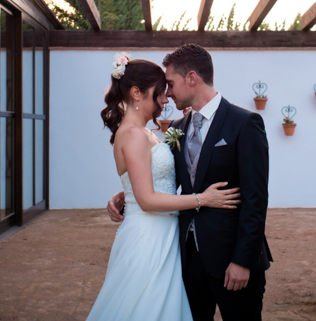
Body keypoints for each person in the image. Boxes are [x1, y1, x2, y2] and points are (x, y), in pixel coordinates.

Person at [108, 44, 272, 321]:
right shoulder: (177, 129)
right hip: (185, 260)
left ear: (192, 78)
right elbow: (159, 175)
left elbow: (256, 199)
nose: (167, 93)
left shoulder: (245, 123)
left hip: (232, 261)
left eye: (170, 84)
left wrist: (242, 261)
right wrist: (125, 194)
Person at [87, 55, 241, 321]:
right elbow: (146, 199)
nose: (166, 98)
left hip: (164, 235)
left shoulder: (146, 132)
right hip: (147, 238)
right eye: (160, 92)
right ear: (137, 92)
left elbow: (148, 181)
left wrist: (127, 193)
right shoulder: (134, 134)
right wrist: (202, 199)